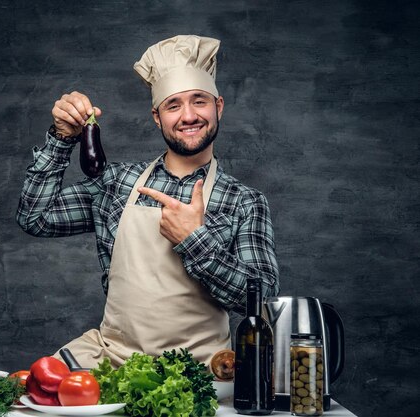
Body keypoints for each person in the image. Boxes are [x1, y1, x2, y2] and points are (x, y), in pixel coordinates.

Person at [16, 35, 279, 369]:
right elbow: (35, 218)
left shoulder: (245, 202)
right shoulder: (117, 184)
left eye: (199, 101)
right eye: (173, 105)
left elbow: (262, 300)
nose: (188, 116)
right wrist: (62, 138)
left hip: (199, 374)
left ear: (219, 107)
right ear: (157, 117)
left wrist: (194, 241)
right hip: (114, 363)